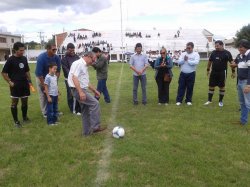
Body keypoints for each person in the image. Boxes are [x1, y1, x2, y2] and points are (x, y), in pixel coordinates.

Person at [68, 51, 106, 136]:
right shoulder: (79, 63)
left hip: (81, 89)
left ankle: (86, 133)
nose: (93, 63)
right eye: (93, 60)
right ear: (88, 56)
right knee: (95, 104)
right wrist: (81, 92)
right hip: (78, 90)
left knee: (85, 111)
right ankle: (95, 127)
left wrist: (94, 91)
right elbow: (74, 78)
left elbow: (86, 82)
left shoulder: (84, 66)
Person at [1, 42, 33, 127]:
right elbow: (3, 73)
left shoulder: (24, 59)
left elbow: (27, 71)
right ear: (15, 50)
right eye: (20, 50)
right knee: (14, 103)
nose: (22, 52)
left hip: (24, 84)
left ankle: (25, 117)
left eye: (23, 50)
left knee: (25, 102)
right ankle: (16, 121)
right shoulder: (10, 60)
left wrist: (30, 81)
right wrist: (10, 82)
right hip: (15, 85)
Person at [204, 40, 233, 107]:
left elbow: (232, 63)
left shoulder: (227, 53)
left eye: (217, 46)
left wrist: (233, 72)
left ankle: (220, 101)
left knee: (222, 87)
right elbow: (210, 62)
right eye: (215, 46)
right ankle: (209, 100)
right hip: (213, 72)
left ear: (222, 45)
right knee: (211, 85)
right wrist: (208, 70)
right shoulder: (213, 52)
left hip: (222, 72)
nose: (216, 47)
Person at [35, 43, 61, 118]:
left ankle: (54, 111)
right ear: (48, 49)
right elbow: (39, 74)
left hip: (52, 77)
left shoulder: (57, 58)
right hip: (41, 78)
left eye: (56, 49)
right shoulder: (41, 58)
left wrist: (55, 81)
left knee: (53, 94)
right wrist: (45, 86)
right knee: (43, 95)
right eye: (53, 49)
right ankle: (45, 112)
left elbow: (58, 71)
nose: (55, 51)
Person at [230, 39, 250, 125]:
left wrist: (248, 85)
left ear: (246, 47)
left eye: (241, 47)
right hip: (240, 81)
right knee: (242, 103)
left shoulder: (249, 55)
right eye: (238, 47)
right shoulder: (240, 55)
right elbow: (236, 63)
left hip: (246, 82)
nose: (239, 49)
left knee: (248, 103)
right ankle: (243, 121)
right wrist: (233, 65)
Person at [61, 43, 81, 115]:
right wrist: (73, 76)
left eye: (73, 50)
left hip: (77, 78)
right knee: (70, 94)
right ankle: (72, 109)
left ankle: (78, 109)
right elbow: (66, 70)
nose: (72, 51)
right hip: (68, 79)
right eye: (70, 50)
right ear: (67, 49)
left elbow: (80, 66)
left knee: (78, 93)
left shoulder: (77, 57)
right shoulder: (64, 59)